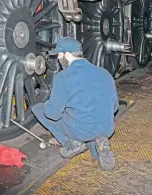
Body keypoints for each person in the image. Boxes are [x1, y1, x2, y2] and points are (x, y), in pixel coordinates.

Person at [32, 37, 119, 171]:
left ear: (67, 54)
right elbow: (114, 108)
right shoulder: (104, 73)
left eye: (60, 55)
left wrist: (51, 102)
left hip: (80, 131)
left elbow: (53, 114)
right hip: (107, 128)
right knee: (87, 118)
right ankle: (97, 146)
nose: (59, 59)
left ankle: (70, 143)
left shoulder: (63, 77)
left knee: (38, 108)